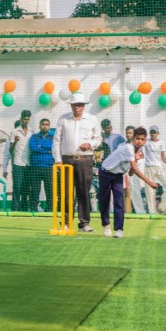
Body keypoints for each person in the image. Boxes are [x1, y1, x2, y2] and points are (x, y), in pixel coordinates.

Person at [98, 126, 158, 238]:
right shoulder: (128, 148)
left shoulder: (138, 151)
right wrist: (150, 183)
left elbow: (130, 173)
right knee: (104, 200)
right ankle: (106, 225)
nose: (139, 141)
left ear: (145, 140)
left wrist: (136, 159)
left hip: (118, 176)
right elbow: (135, 169)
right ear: (133, 139)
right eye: (137, 138)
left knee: (119, 200)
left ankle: (119, 229)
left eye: (142, 139)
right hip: (105, 172)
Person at [52, 94, 101, 232]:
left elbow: (98, 139)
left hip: (85, 159)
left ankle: (84, 223)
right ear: (71, 105)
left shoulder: (92, 119)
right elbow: (57, 140)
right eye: (75, 104)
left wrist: (90, 144)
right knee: (66, 192)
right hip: (67, 160)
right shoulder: (63, 119)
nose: (77, 107)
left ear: (84, 105)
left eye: (80, 104)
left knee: (84, 192)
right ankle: (66, 222)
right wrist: (58, 160)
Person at [138, 125, 166, 215]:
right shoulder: (146, 142)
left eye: (154, 132)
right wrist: (140, 130)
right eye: (151, 132)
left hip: (159, 167)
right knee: (150, 191)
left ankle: (162, 208)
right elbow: (138, 140)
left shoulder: (161, 143)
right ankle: (152, 212)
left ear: (158, 133)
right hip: (148, 168)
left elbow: (163, 157)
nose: (152, 134)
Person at [27, 117, 54, 212]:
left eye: (47, 125)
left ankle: (50, 209)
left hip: (49, 167)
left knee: (50, 190)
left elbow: (54, 148)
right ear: (39, 126)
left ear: (49, 126)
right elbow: (34, 148)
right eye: (43, 124)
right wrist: (48, 150)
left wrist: (41, 146)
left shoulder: (53, 137)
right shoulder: (34, 137)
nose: (45, 126)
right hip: (36, 167)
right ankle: (34, 208)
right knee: (35, 190)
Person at [7, 110, 33, 212]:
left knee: (26, 188)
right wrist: (15, 142)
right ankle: (14, 209)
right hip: (18, 163)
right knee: (17, 187)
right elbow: (10, 150)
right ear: (21, 119)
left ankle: (24, 208)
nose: (26, 121)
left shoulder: (32, 132)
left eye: (28, 119)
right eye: (24, 119)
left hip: (28, 163)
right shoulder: (14, 132)